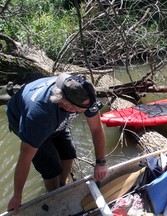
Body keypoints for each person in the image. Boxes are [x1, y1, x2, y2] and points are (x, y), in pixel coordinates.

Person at [6, 73, 108, 214]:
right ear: (69, 106)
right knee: (51, 166)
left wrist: (100, 162)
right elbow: (25, 158)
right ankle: (54, 194)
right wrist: (17, 195)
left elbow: (96, 128)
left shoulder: (80, 90)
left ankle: (61, 187)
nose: (86, 113)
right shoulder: (39, 116)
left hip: (54, 118)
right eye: (81, 111)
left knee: (68, 153)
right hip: (23, 119)